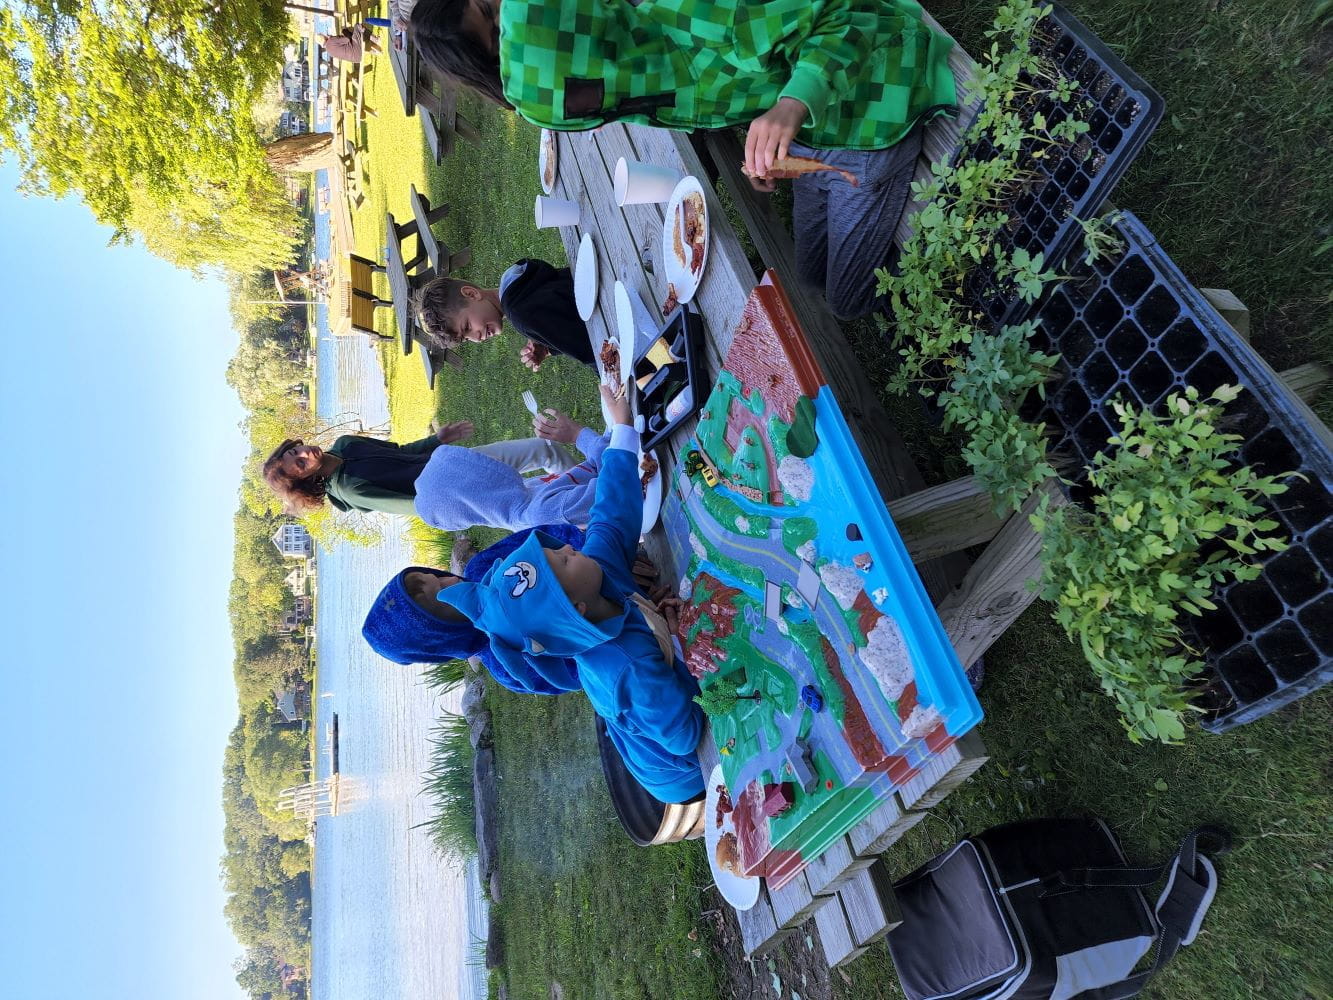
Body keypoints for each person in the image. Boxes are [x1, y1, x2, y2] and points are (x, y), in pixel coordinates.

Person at [408, 0, 956, 319]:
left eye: (496, 14)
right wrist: (768, 138)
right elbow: (735, 83)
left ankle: (938, 290)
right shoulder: (632, 65)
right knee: (808, 276)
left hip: (877, 95)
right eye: (496, 41)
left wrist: (791, 105)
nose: (589, 96)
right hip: (817, 126)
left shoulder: (690, 10)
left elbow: (848, 18)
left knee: (844, 302)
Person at [393, 385, 704, 802]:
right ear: (576, 610)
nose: (568, 546)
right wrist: (680, 643)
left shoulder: (596, 575)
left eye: (554, 550)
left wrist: (624, 429)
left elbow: (611, 516)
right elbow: (685, 735)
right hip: (684, 769)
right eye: (561, 560)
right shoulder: (622, 667)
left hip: (665, 703)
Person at [263, 423, 576, 517]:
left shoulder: (346, 444)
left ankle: (599, 478)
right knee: (541, 504)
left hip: (459, 460)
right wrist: (468, 506)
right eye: (300, 463)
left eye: (297, 450)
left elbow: (399, 452)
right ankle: (599, 505)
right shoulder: (349, 488)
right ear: (304, 478)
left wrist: (437, 439)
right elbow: (415, 506)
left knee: (543, 449)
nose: (304, 453)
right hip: (460, 493)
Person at [411, 405, 614, 531]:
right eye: (477, 465)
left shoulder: (524, 494)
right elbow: (620, 482)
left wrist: (608, 433)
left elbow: (594, 470)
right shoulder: (542, 513)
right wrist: (578, 435)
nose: (488, 461)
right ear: (477, 490)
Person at [414, 258, 595, 372]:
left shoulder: (520, 314)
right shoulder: (516, 278)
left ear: (471, 294)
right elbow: (562, 309)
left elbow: (591, 352)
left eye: (467, 327)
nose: (476, 338)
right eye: (467, 338)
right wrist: (548, 346)